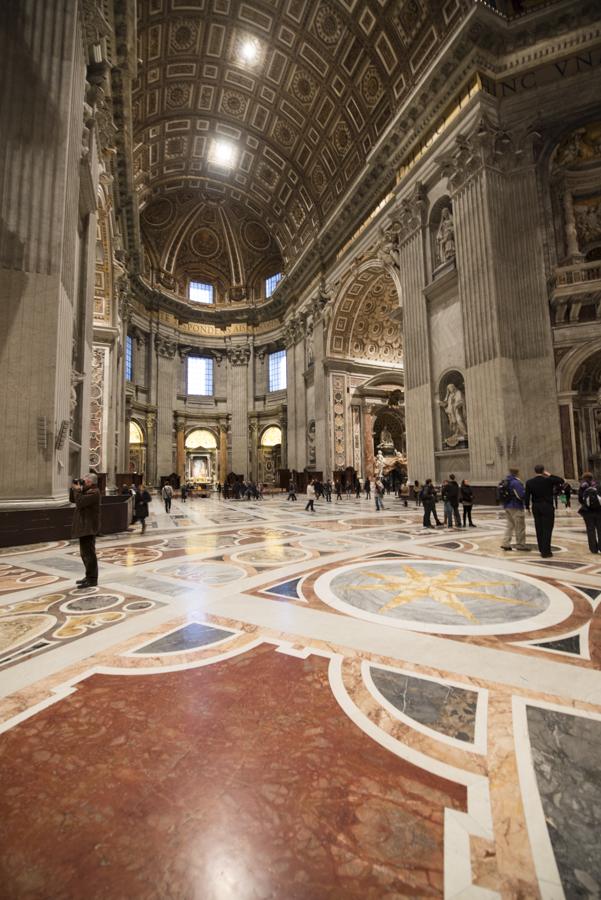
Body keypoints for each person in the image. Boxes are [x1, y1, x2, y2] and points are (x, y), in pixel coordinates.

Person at [525, 465, 564, 558]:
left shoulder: (529, 482)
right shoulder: (548, 480)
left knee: (539, 528)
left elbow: (527, 496)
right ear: (543, 471)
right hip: (547, 506)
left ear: (535, 471)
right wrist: (549, 474)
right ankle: (546, 552)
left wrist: (527, 507)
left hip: (536, 506)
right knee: (547, 529)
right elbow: (561, 480)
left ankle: (541, 549)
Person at [70, 474, 101, 589]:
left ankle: (92, 579)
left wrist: (78, 491)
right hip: (84, 528)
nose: (82, 482)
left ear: (90, 482)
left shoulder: (94, 492)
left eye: (84, 480)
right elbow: (73, 499)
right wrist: (73, 488)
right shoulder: (85, 491)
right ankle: (88, 576)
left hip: (89, 528)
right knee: (84, 554)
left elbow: (80, 502)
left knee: (89, 555)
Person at [499, 467, 531, 552]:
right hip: (516, 506)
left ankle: (505, 543)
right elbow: (521, 495)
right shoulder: (516, 482)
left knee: (509, 526)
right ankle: (520, 544)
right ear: (517, 473)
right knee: (520, 526)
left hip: (507, 506)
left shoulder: (506, 481)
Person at [577, 471, 601, 554]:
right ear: (592, 477)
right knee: (600, 529)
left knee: (590, 530)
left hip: (587, 512)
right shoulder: (597, 486)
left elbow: (580, 499)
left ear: (583, 478)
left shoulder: (582, 487)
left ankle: (593, 549)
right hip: (599, 511)